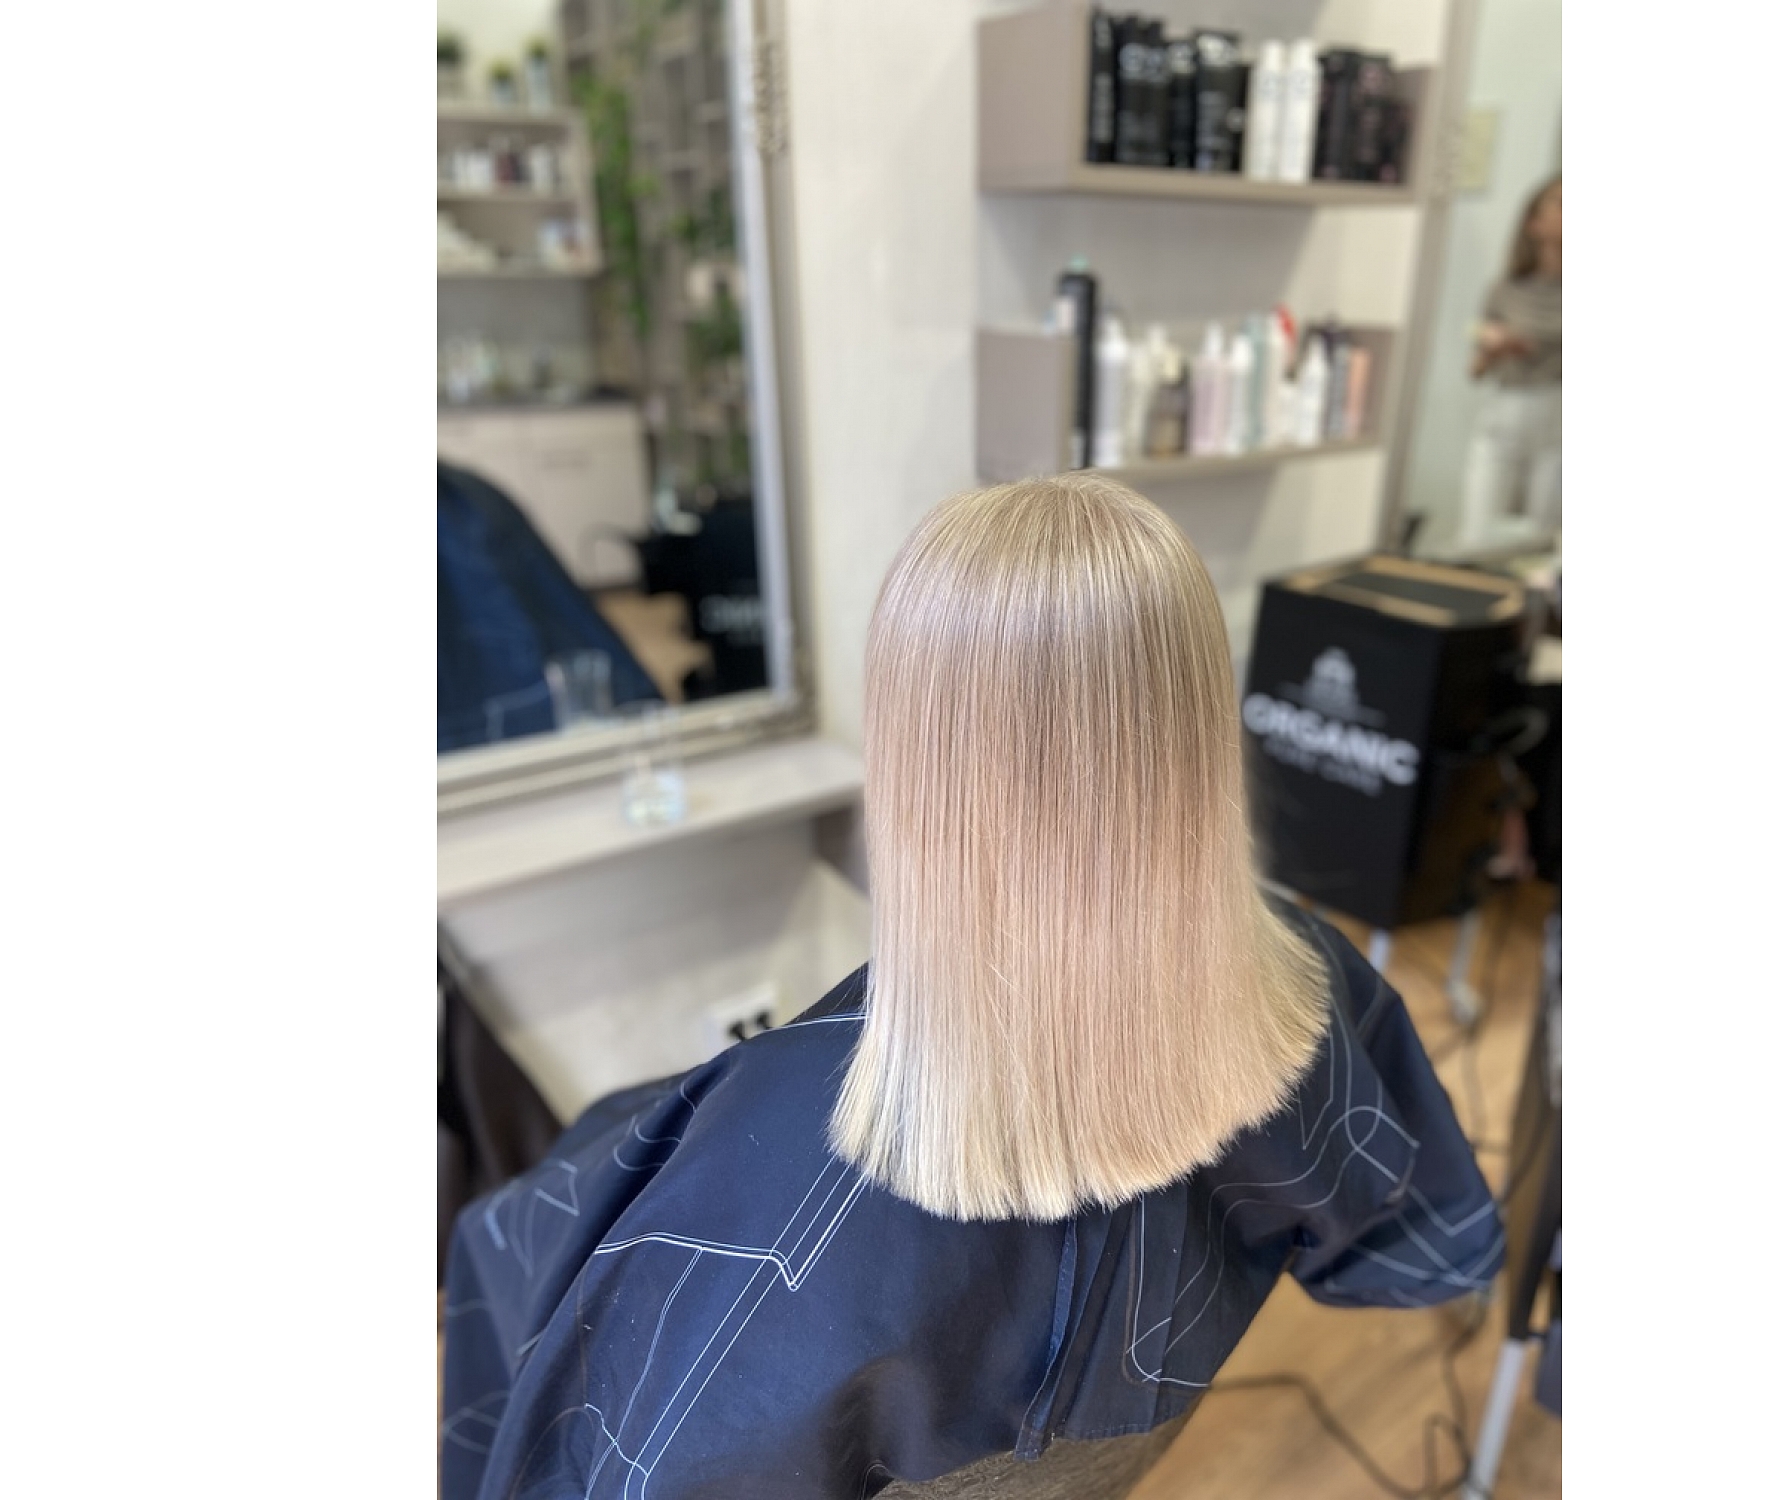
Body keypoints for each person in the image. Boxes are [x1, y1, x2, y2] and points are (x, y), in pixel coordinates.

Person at [440, 475, 1500, 1500]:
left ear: (918, 760)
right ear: (1192, 727)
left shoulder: (794, 1216)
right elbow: (1414, 1239)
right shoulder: (1313, 986)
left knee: (499, 1228)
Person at [1459, 174, 1561, 550]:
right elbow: (1475, 370)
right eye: (1561, 204)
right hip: (1505, 409)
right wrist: (1495, 347)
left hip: (1558, 418)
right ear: (1534, 222)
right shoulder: (1505, 289)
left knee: (1542, 541)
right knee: (1478, 534)